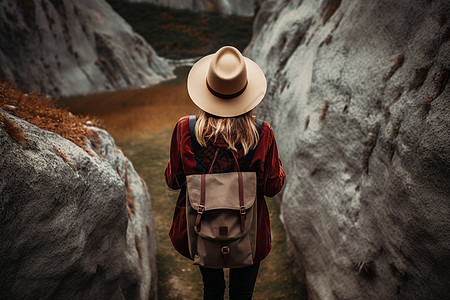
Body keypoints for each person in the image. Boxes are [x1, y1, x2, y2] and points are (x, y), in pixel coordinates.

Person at [164, 46, 285, 300]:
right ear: (246, 93)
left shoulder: (185, 129)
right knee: (242, 294)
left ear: (207, 91)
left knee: (212, 289)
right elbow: (273, 186)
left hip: (200, 227)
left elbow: (173, 180)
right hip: (250, 231)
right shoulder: (262, 134)